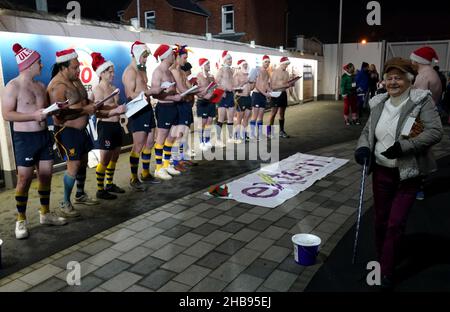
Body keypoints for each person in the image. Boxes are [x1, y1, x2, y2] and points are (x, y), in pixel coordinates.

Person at [354, 57, 443, 288]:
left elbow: (435, 131)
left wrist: (404, 147)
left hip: (408, 173)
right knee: (381, 221)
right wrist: (363, 147)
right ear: (384, 80)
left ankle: (386, 268)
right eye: (389, 77)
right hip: (382, 172)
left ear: (409, 80)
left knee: (395, 223)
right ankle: (383, 254)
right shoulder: (378, 103)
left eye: (399, 77)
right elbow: (367, 131)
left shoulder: (420, 101)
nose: (393, 82)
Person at [1, 43, 67, 239]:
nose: (41, 64)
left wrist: (55, 110)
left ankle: (45, 213)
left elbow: (44, 111)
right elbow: (6, 114)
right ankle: (20, 219)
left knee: (46, 176)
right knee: (24, 179)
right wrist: (33, 116)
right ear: (28, 65)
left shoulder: (41, 86)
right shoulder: (13, 86)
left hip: (43, 136)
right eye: (38, 62)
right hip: (25, 139)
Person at [49, 49, 124, 216]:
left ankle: (80, 194)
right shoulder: (57, 87)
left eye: (79, 67)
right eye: (75, 68)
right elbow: (58, 117)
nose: (79, 71)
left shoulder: (75, 80)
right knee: (73, 166)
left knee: (83, 162)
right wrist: (85, 110)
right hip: (67, 130)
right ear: (63, 67)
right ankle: (65, 202)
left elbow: (87, 102)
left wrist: (107, 107)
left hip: (82, 130)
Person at [122, 41, 161, 191]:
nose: (145, 60)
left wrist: (153, 90)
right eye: (144, 57)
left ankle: (145, 173)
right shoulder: (130, 71)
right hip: (137, 111)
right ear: (138, 54)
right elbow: (130, 94)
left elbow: (143, 87)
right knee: (138, 145)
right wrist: (148, 92)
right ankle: (134, 177)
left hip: (147, 108)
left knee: (150, 141)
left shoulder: (141, 69)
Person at [91, 52, 126, 200]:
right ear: (102, 73)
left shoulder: (113, 88)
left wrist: (122, 109)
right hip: (105, 127)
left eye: (113, 71)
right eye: (110, 72)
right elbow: (98, 112)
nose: (113, 74)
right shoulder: (98, 90)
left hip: (116, 126)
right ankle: (100, 189)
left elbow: (115, 107)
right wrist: (115, 110)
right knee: (104, 159)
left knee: (115, 157)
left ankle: (109, 184)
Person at [410, 46, 442, 201]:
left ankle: (417, 188)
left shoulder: (424, 76)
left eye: (413, 59)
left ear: (418, 60)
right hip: (428, 117)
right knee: (422, 152)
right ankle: (418, 186)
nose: (411, 61)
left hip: (420, 120)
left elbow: (416, 102)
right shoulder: (431, 73)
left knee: (418, 153)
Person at [150, 44, 183, 180]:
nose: (174, 56)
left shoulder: (170, 72)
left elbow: (174, 89)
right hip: (164, 108)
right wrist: (172, 97)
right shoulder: (158, 72)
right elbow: (155, 94)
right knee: (161, 137)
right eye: (172, 54)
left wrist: (180, 94)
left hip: (173, 107)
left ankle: (166, 164)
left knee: (171, 137)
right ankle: (158, 168)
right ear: (166, 56)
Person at [170, 45, 195, 172]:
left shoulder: (181, 71)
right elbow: (181, 88)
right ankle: (175, 161)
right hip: (180, 105)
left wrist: (194, 91)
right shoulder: (174, 70)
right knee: (179, 134)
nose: (186, 60)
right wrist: (195, 92)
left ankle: (181, 157)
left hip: (185, 104)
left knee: (185, 133)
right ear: (178, 57)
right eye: (184, 58)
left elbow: (187, 86)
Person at [268, 56, 296, 138]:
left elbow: (286, 85)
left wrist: (290, 84)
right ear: (282, 64)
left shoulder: (286, 73)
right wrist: (285, 85)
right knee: (273, 113)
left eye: (287, 64)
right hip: (276, 94)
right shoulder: (275, 72)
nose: (287, 66)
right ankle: (269, 132)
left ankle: (281, 131)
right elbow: (272, 86)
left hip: (283, 94)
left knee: (282, 114)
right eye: (286, 64)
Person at [215, 51, 236, 146]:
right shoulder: (221, 70)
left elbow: (231, 83)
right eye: (228, 59)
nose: (230, 60)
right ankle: (218, 139)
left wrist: (235, 90)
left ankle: (230, 137)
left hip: (230, 95)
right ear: (224, 60)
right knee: (221, 118)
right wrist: (221, 91)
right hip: (223, 96)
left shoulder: (231, 70)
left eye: (231, 59)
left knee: (230, 118)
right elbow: (216, 83)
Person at [195, 58, 216, 150]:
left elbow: (215, 88)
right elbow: (196, 90)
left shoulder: (211, 76)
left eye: (209, 64)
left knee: (209, 122)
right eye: (207, 64)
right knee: (202, 123)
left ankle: (207, 140)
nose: (209, 66)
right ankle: (201, 142)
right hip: (202, 102)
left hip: (211, 101)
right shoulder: (198, 76)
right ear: (202, 66)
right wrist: (203, 95)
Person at [250, 55, 272, 140]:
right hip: (256, 95)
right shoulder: (257, 70)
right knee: (254, 116)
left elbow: (266, 85)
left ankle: (259, 134)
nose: (267, 63)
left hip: (263, 96)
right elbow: (256, 85)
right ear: (262, 62)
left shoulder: (267, 73)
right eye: (266, 62)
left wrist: (270, 91)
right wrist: (265, 93)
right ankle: (252, 134)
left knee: (261, 116)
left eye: (268, 62)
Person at [233, 59, 253, 142]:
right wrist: (244, 82)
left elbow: (251, 88)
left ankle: (244, 134)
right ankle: (236, 135)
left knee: (246, 117)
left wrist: (253, 81)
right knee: (239, 118)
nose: (245, 65)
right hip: (240, 98)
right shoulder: (237, 74)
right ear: (240, 65)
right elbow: (235, 88)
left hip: (248, 97)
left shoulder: (248, 74)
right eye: (244, 64)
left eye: (246, 64)